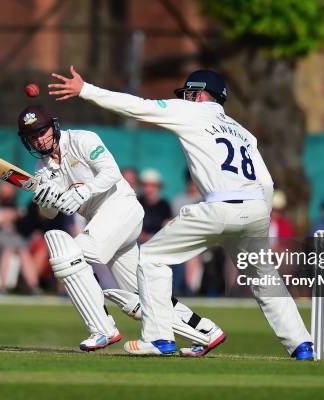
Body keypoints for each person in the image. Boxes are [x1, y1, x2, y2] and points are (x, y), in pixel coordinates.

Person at [48, 66, 314, 359]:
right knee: (265, 278)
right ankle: (301, 345)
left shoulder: (191, 112)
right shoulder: (242, 131)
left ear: (200, 94)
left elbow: (137, 107)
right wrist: (260, 222)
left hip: (219, 206)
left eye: (188, 94)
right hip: (255, 209)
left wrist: (86, 90)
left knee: (151, 258)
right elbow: (266, 182)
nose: (185, 99)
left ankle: (158, 338)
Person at [18, 104, 226, 354]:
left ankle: (102, 328)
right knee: (142, 293)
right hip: (101, 223)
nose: (40, 140)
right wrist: (44, 203)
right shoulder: (41, 170)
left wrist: (84, 190)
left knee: (70, 255)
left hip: (121, 208)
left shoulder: (82, 139)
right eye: (33, 136)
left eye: (43, 132)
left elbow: (112, 173)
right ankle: (206, 331)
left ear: (53, 126)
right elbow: (51, 213)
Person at [0, 182, 40, 294]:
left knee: (24, 251)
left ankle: (33, 286)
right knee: (8, 249)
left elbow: (24, 229)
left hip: (14, 237)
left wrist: (17, 216)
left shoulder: (16, 207)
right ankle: (2, 286)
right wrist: (7, 216)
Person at [137, 169, 172, 243]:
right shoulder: (137, 203)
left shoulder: (165, 205)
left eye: (153, 186)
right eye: (146, 185)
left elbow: (168, 226)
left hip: (159, 242)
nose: (149, 189)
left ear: (159, 187)